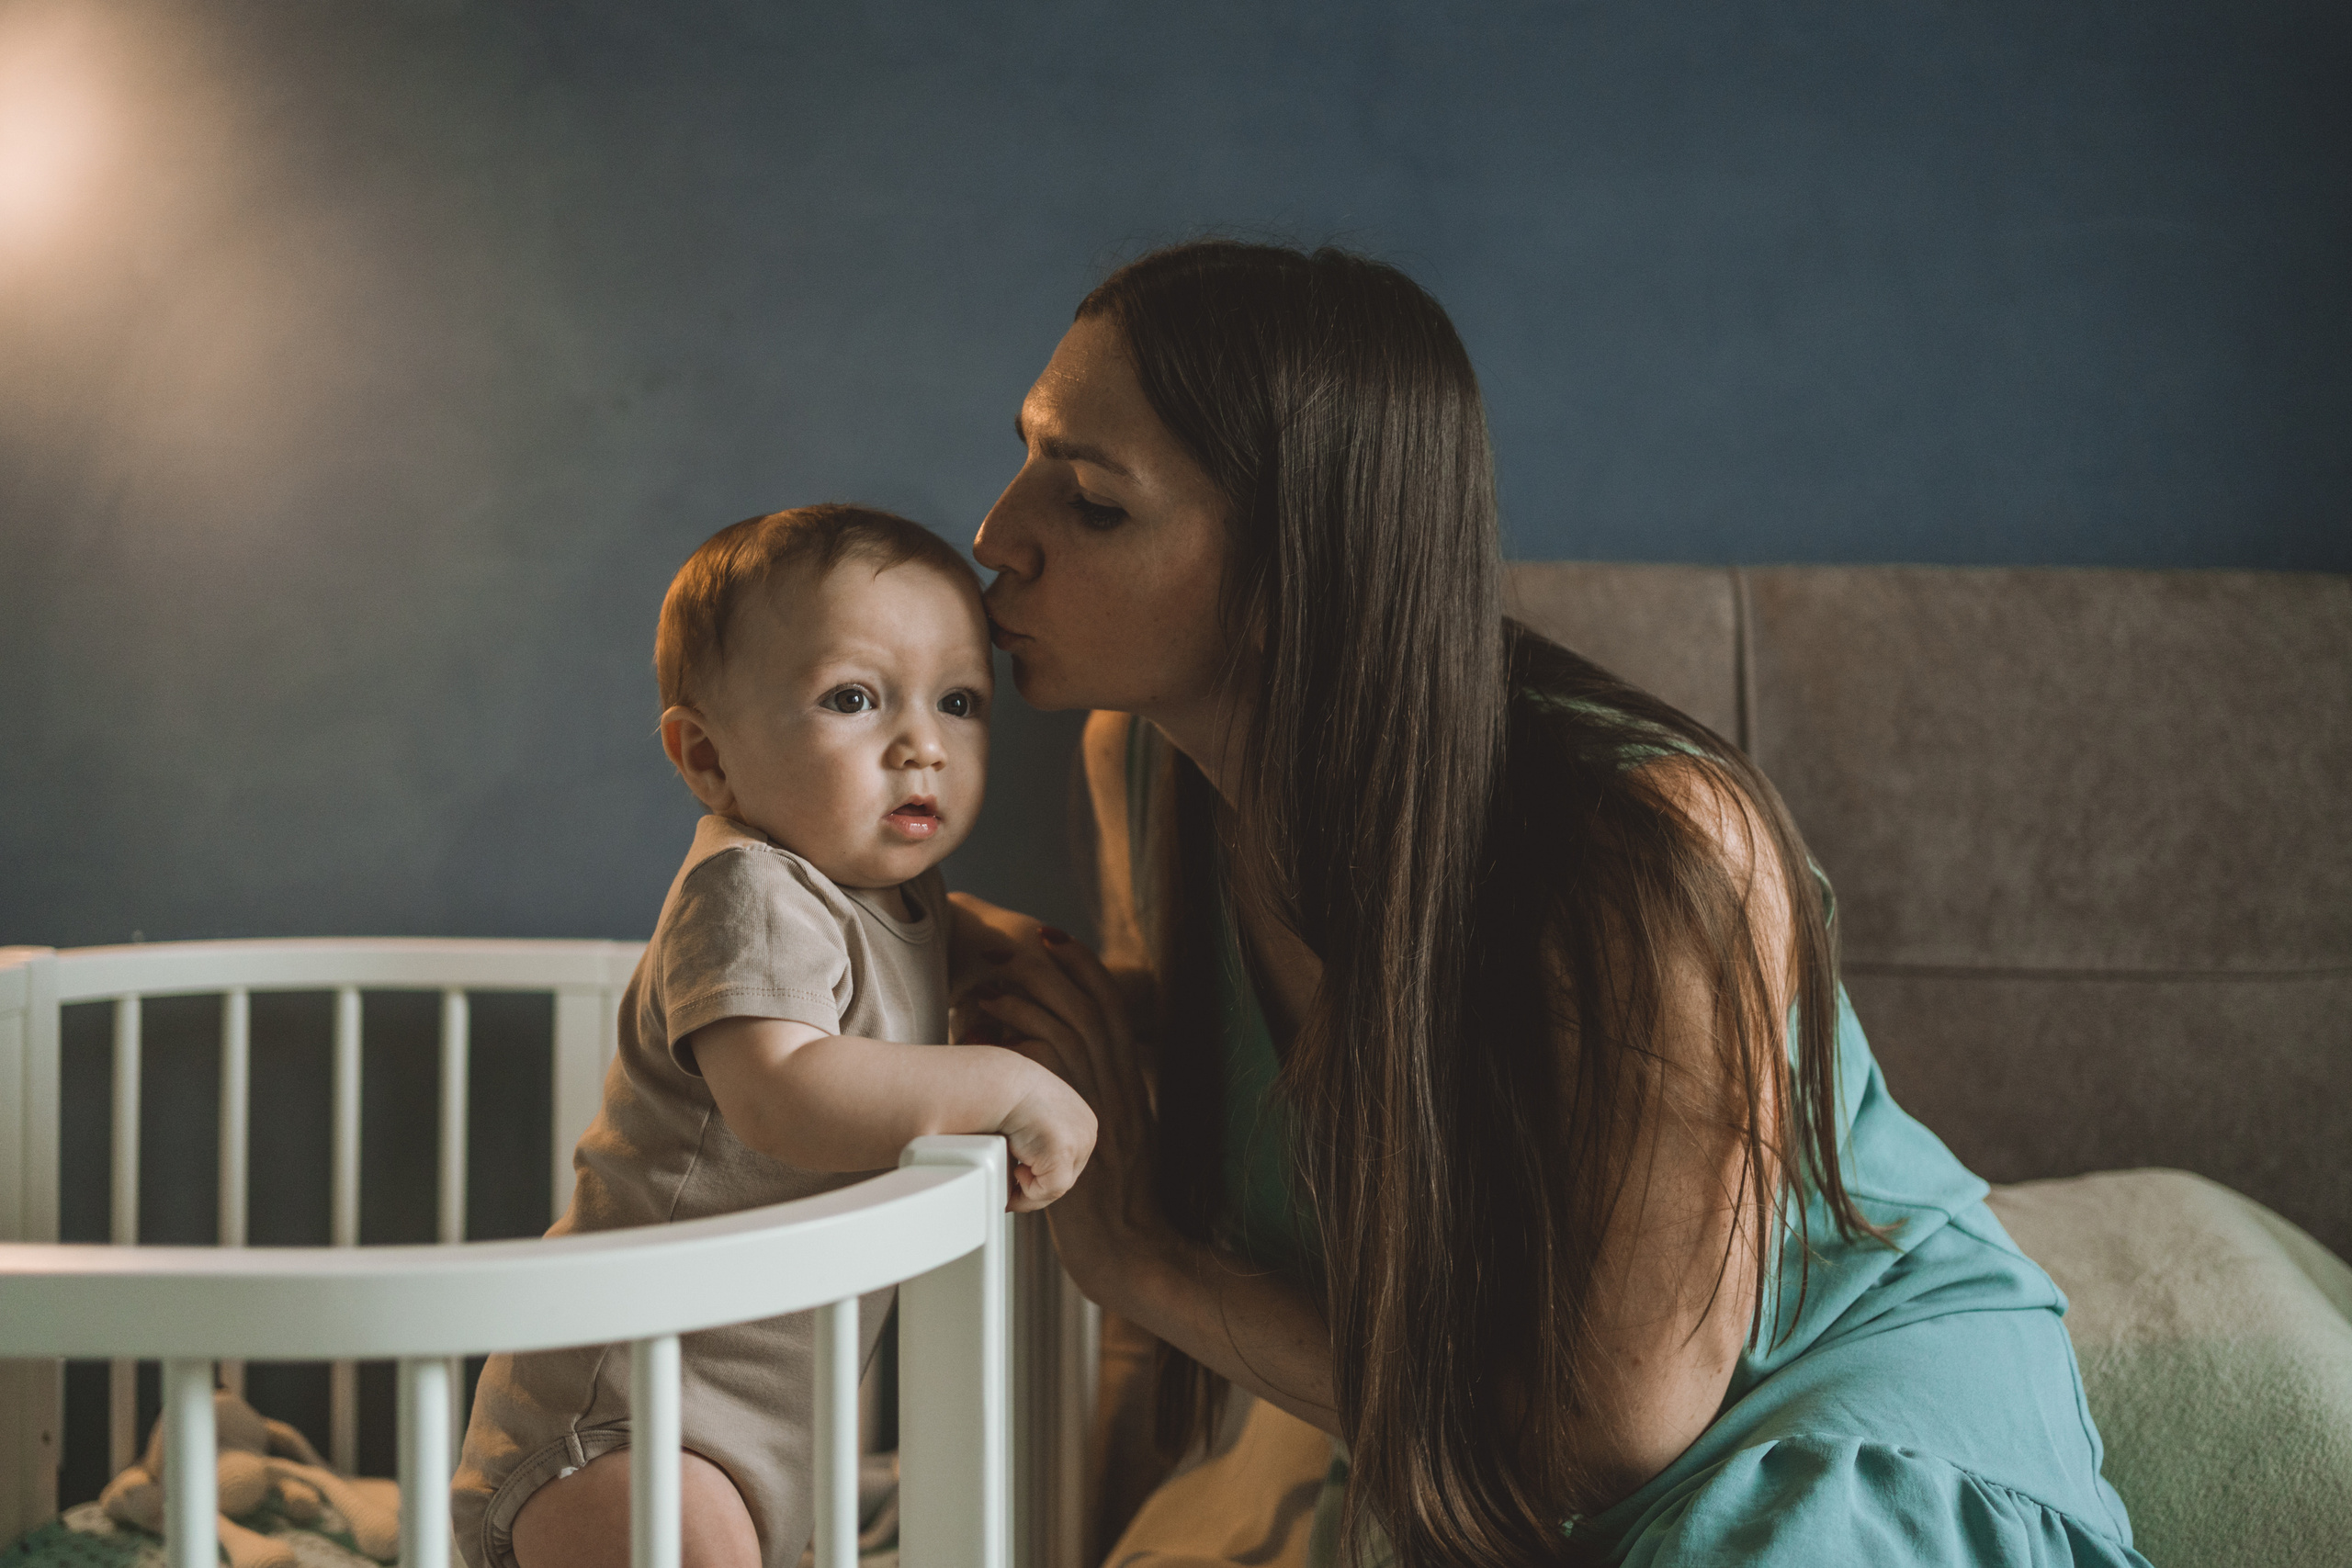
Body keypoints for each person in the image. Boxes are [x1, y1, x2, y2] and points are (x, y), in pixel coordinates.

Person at [957, 242, 2153, 1566]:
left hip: (1816, 1423)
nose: (995, 536)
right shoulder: (1149, 767)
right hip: (1483, 1464)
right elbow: (1238, 1078)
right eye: (1026, 456)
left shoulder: (1657, 854)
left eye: (1092, 502)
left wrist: (1144, 1262)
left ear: (1298, 563)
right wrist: (967, 971)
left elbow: (1610, 1435)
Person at [451, 503, 1097, 1568]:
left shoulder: (901, 900)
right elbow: (782, 1091)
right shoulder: (750, 889)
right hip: (629, 1412)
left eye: (959, 701)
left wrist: (1085, 989)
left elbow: (982, 953)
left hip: (746, 1427)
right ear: (708, 758)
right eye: (853, 699)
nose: (922, 746)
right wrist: (999, 1082)